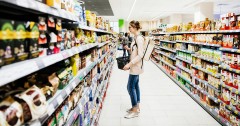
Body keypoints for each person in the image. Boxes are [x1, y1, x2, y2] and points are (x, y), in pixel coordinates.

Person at [123, 20, 144, 119]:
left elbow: (140, 54)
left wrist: (129, 64)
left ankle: (135, 110)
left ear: (135, 27)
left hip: (135, 66)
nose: (129, 29)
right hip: (134, 66)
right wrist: (128, 49)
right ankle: (137, 107)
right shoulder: (135, 38)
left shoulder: (139, 38)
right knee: (135, 86)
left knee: (130, 87)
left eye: (130, 27)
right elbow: (135, 51)